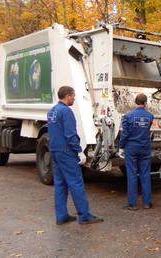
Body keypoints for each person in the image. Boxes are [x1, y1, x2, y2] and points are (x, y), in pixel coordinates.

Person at [47, 86, 103, 225]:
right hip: (67, 152)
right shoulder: (66, 111)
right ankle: (84, 216)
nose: (74, 98)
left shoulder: (52, 111)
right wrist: (78, 151)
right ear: (67, 96)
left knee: (60, 184)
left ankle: (61, 216)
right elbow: (70, 134)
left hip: (55, 150)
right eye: (73, 96)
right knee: (76, 183)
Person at [119, 94, 154, 210]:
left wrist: (121, 146)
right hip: (145, 147)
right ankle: (147, 202)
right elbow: (147, 130)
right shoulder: (150, 116)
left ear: (135, 102)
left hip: (131, 148)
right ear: (145, 103)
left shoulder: (128, 116)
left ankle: (132, 203)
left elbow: (125, 134)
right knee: (145, 174)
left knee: (132, 174)